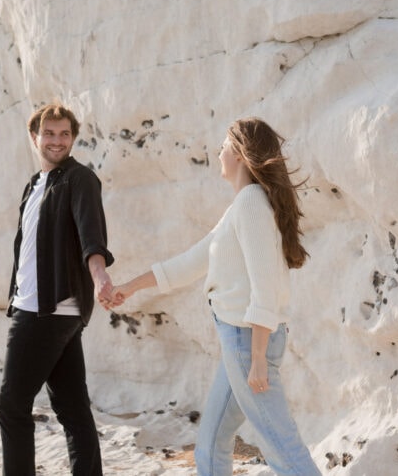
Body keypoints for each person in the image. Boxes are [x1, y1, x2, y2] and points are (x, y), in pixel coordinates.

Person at [111, 117, 320, 476]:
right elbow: (189, 263)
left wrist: (256, 356)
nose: (218, 152)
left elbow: (265, 284)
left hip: (247, 343)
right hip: (238, 344)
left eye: (224, 145)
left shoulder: (252, 202)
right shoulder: (241, 207)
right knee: (210, 442)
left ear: (239, 154)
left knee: (283, 449)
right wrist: (128, 287)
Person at [0, 103, 116, 476]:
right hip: (42, 308)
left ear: (73, 138)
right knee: (72, 409)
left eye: (65, 134)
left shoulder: (79, 179)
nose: (57, 141)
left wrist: (100, 278)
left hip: (45, 311)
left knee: (12, 407)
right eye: (49, 133)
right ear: (34, 137)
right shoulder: (34, 184)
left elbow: (91, 236)